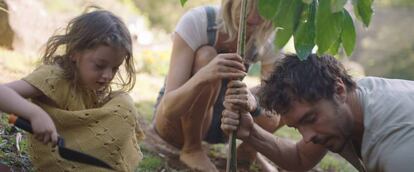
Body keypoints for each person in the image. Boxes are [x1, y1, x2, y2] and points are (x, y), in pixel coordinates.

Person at [0, 10, 144, 171]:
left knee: (124, 103)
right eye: (99, 65)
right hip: (58, 159)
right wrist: (35, 114)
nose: (108, 75)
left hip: (85, 157)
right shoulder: (54, 76)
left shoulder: (92, 86)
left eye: (115, 68)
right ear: (75, 53)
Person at [221, 53, 414, 172]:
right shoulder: (346, 101)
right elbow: (299, 157)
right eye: (297, 127)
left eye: (310, 119)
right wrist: (250, 132)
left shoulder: (399, 146)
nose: (307, 137)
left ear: (339, 90)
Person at [153, 0, 281, 171]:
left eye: (263, 7)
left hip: (225, 125)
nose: (253, 16)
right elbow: (169, 109)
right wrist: (204, 75)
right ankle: (192, 148)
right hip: (177, 125)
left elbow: (274, 116)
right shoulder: (198, 22)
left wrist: (253, 104)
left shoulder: (268, 38)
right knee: (206, 56)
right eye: (247, 6)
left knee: (286, 90)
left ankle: (247, 152)